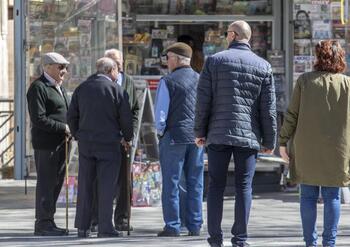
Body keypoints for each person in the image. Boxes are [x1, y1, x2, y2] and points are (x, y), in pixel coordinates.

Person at [194, 20, 277, 247]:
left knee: (216, 186)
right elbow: (267, 109)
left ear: (232, 35)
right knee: (243, 187)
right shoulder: (263, 66)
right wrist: (269, 141)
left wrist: (199, 132)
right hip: (248, 137)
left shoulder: (214, 61)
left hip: (218, 134)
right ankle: (240, 239)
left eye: (227, 33)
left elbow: (203, 101)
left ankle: (215, 239)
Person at [279, 40, 350, 247]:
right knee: (332, 196)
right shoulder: (347, 84)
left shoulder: (305, 81)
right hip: (338, 150)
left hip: (306, 148)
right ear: (340, 58)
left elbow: (292, 115)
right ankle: (329, 243)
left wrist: (283, 142)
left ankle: (310, 243)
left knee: (307, 196)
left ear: (319, 58)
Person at [67, 57, 133, 238]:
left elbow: (71, 116)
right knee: (107, 186)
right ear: (110, 70)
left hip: (87, 143)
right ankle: (105, 227)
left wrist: (77, 134)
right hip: (109, 144)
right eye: (116, 71)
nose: (118, 74)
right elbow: (125, 119)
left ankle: (83, 226)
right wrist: (127, 138)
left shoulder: (81, 89)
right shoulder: (117, 90)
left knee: (86, 184)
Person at [155, 42, 204, 237]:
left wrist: (160, 133)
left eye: (168, 58)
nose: (167, 62)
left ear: (175, 59)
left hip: (174, 136)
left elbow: (160, 114)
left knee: (172, 182)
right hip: (196, 138)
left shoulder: (168, 81)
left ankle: (173, 225)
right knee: (195, 182)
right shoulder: (201, 80)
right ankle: (195, 225)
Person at [90, 48, 140, 232]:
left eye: (118, 62)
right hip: (103, 139)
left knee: (124, 181)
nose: (116, 65)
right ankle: (97, 219)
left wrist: (129, 135)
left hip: (123, 139)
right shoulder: (95, 83)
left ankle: (122, 218)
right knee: (99, 180)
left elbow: (134, 110)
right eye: (112, 62)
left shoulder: (128, 81)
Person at [27, 52, 70, 236]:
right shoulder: (38, 87)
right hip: (46, 145)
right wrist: (64, 127)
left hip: (61, 144)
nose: (65, 71)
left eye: (66, 67)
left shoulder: (59, 87)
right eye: (61, 67)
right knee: (46, 184)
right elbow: (39, 119)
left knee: (56, 183)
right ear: (48, 67)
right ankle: (43, 223)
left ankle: (49, 220)